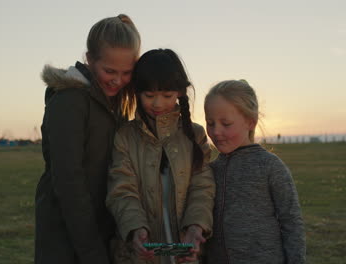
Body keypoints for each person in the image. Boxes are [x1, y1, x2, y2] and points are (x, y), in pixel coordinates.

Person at [34, 14, 141, 264]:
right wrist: (93, 253)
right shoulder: (70, 100)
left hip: (99, 233)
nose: (118, 80)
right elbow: (68, 181)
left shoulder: (112, 104)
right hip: (67, 238)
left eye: (127, 73)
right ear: (89, 59)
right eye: (109, 71)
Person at [106, 49, 216, 264]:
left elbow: (202, 186)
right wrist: (134, 228)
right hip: (141, 253)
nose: (157, 104)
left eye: (166, 95)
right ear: (137, 92)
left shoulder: (195, 135)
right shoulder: (125, 137)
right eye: (149, 95)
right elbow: (121, 188)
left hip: (185, 251)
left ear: (181, 93)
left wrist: (196, 226)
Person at [203, 80, 306, 264]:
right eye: (210, 123)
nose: (216, 131)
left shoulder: (270, 166)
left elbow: (291, 222)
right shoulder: (210, 170)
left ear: (250, 122)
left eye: (226, 123)